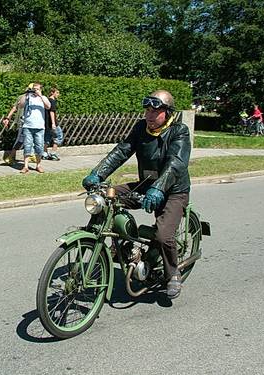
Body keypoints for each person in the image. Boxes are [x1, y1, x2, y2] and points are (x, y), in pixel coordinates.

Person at [82, 90, 191, 299]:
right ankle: (120, 246)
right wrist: (97, 173)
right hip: (145, 184)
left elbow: (175, 163)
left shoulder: (179, 131)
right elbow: (122, 151)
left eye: (155, 111)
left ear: (167, 113)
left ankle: (173, 274)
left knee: (162, 235)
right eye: (148, 111)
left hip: (173, 190)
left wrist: (159, 188)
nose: (149, 115)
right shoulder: (141, 128)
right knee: (105, 198)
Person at [3, 82, 51, 174]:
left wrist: (40, 95)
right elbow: (20, 105)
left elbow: (48, 106)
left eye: (37, 89)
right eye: (34, 89)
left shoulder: (43, 98)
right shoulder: (28, 97)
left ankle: (38, 165)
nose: (35, 90)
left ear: (41, 89)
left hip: (40, 126)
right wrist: (27, 94)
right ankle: (25, 166)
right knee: (27, 146)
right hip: (28, 126)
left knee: (39, 146)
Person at [42, 87, 63, 161]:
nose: (58, 94)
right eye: (57, 92)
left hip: (46, 124)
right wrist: (53, 123)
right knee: (59, 137)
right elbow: (52, 112)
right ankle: (53, 154)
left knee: (47, 138)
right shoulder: (52, 101)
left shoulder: (46, 100)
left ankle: (44, 154)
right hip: (52, 124)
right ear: (52, 93)